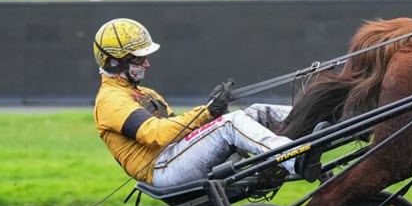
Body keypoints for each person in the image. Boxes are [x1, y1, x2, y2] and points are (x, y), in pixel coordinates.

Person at [92, 18, 303, 188]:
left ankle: (325, 117)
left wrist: (212, 112)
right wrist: (208, 112)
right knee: (230, 123)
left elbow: (180, 132)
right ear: (114, 61)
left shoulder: (145, 93)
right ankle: (296, 158)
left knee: (256, 112)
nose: (146, 63)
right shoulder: (111, 101)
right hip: (162, 169)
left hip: (174, 158)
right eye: (138, 59)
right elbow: (157, 134)